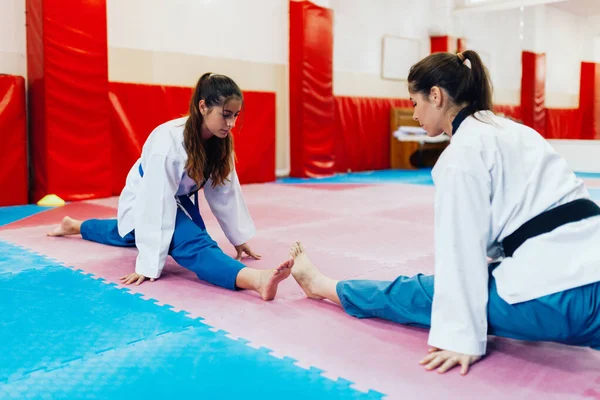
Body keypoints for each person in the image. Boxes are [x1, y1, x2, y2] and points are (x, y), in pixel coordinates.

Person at [289, 50, 600, 375]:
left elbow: (461, 254)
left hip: (560, 298)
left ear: (435, 95)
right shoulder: (516, 131)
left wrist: (461, 338)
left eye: (414, 102)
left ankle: (322, 286)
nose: (414, 115)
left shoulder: (462, 153)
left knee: (419, 292)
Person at [48, 73, 293, 301]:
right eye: (225, 114)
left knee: (130, 234)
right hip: (145, 195)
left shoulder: (221, 142)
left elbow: (225, 192)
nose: (230, 123)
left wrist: (238, 237)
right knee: (188, 241)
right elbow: (156, 205)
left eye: (235, 116)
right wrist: (148, 265)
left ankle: (75, 225)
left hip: (177, 197)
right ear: (203, 106)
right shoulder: (168, 143)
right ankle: (255, 279)